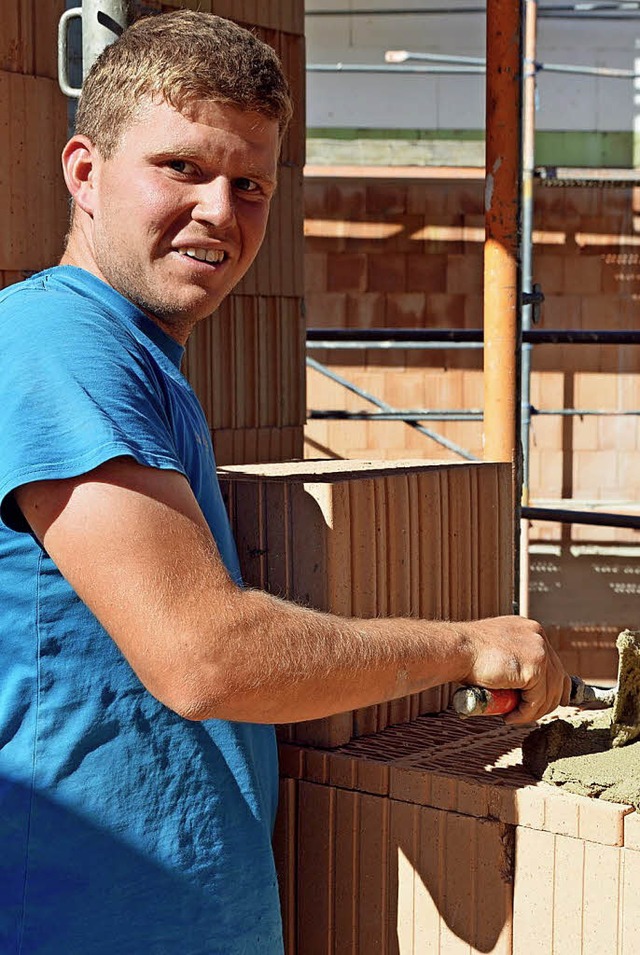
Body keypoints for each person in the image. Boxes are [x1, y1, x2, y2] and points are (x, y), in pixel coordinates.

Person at [0, 9, 570, 954]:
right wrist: (464, 644)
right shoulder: (59, 344)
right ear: (84, 172)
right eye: (182, 167)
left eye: (251, 183)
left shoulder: (138, 359)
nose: (221, 211)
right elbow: (205, 654)